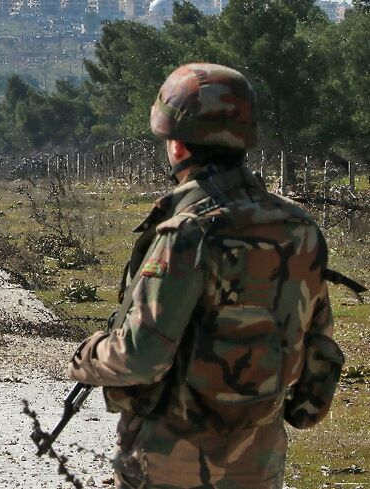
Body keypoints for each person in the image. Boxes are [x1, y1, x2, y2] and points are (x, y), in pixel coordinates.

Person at [67, 63, 349, 488]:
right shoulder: (299, 227)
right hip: (259, 462)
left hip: (169, 465)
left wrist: (87, 357)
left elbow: (140, 358)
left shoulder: (188, 232)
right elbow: (318, 347)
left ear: (177, 146)